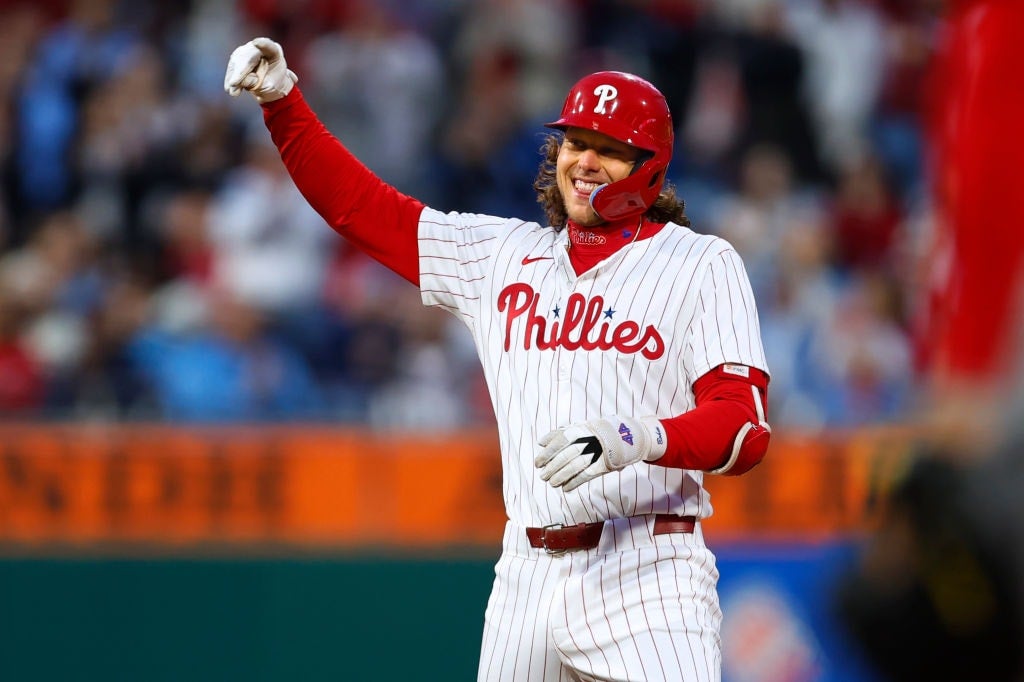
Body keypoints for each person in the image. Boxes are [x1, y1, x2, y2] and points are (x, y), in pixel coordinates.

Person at [224, 37, 772, 681]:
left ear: (649, 168)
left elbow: (744, 429)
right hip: (527, 571)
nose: (585, 161)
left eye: (610, 151)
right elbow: (360, 209)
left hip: (649, 568)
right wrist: (284, 105)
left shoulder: (700, 264)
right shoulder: (502, 256)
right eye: (575, 143)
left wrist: (636, 438)